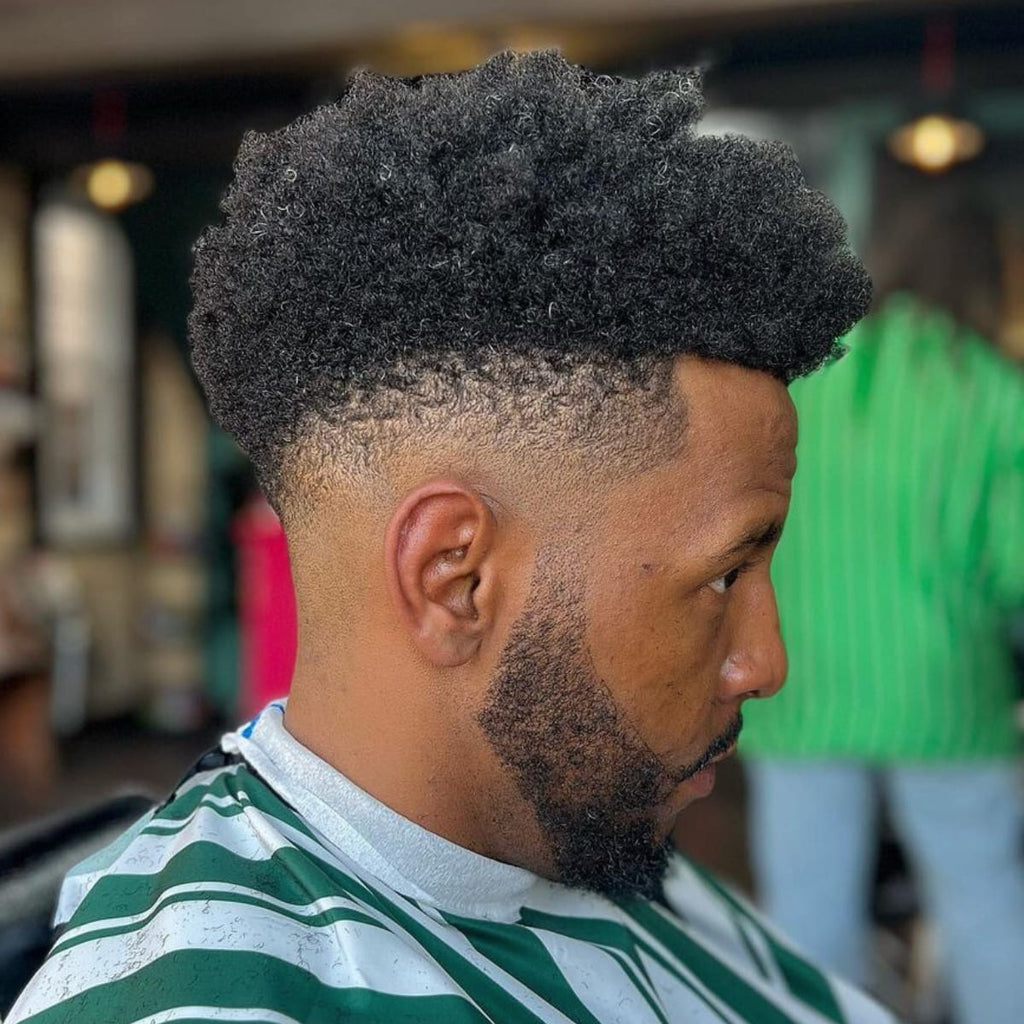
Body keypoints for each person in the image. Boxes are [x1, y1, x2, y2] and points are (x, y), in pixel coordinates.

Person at [9, 52, 889, 1023]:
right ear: (452, 576)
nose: (765, 663)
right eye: (726, 575)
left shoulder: (592, 836)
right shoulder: (215, 1001)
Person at [741, 195, 1024, 1024]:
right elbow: (1015, 567)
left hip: (801, 679)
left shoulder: (804, 371)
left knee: (807, 909)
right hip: (942, 690)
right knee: (982, 899)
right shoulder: (992, 389)